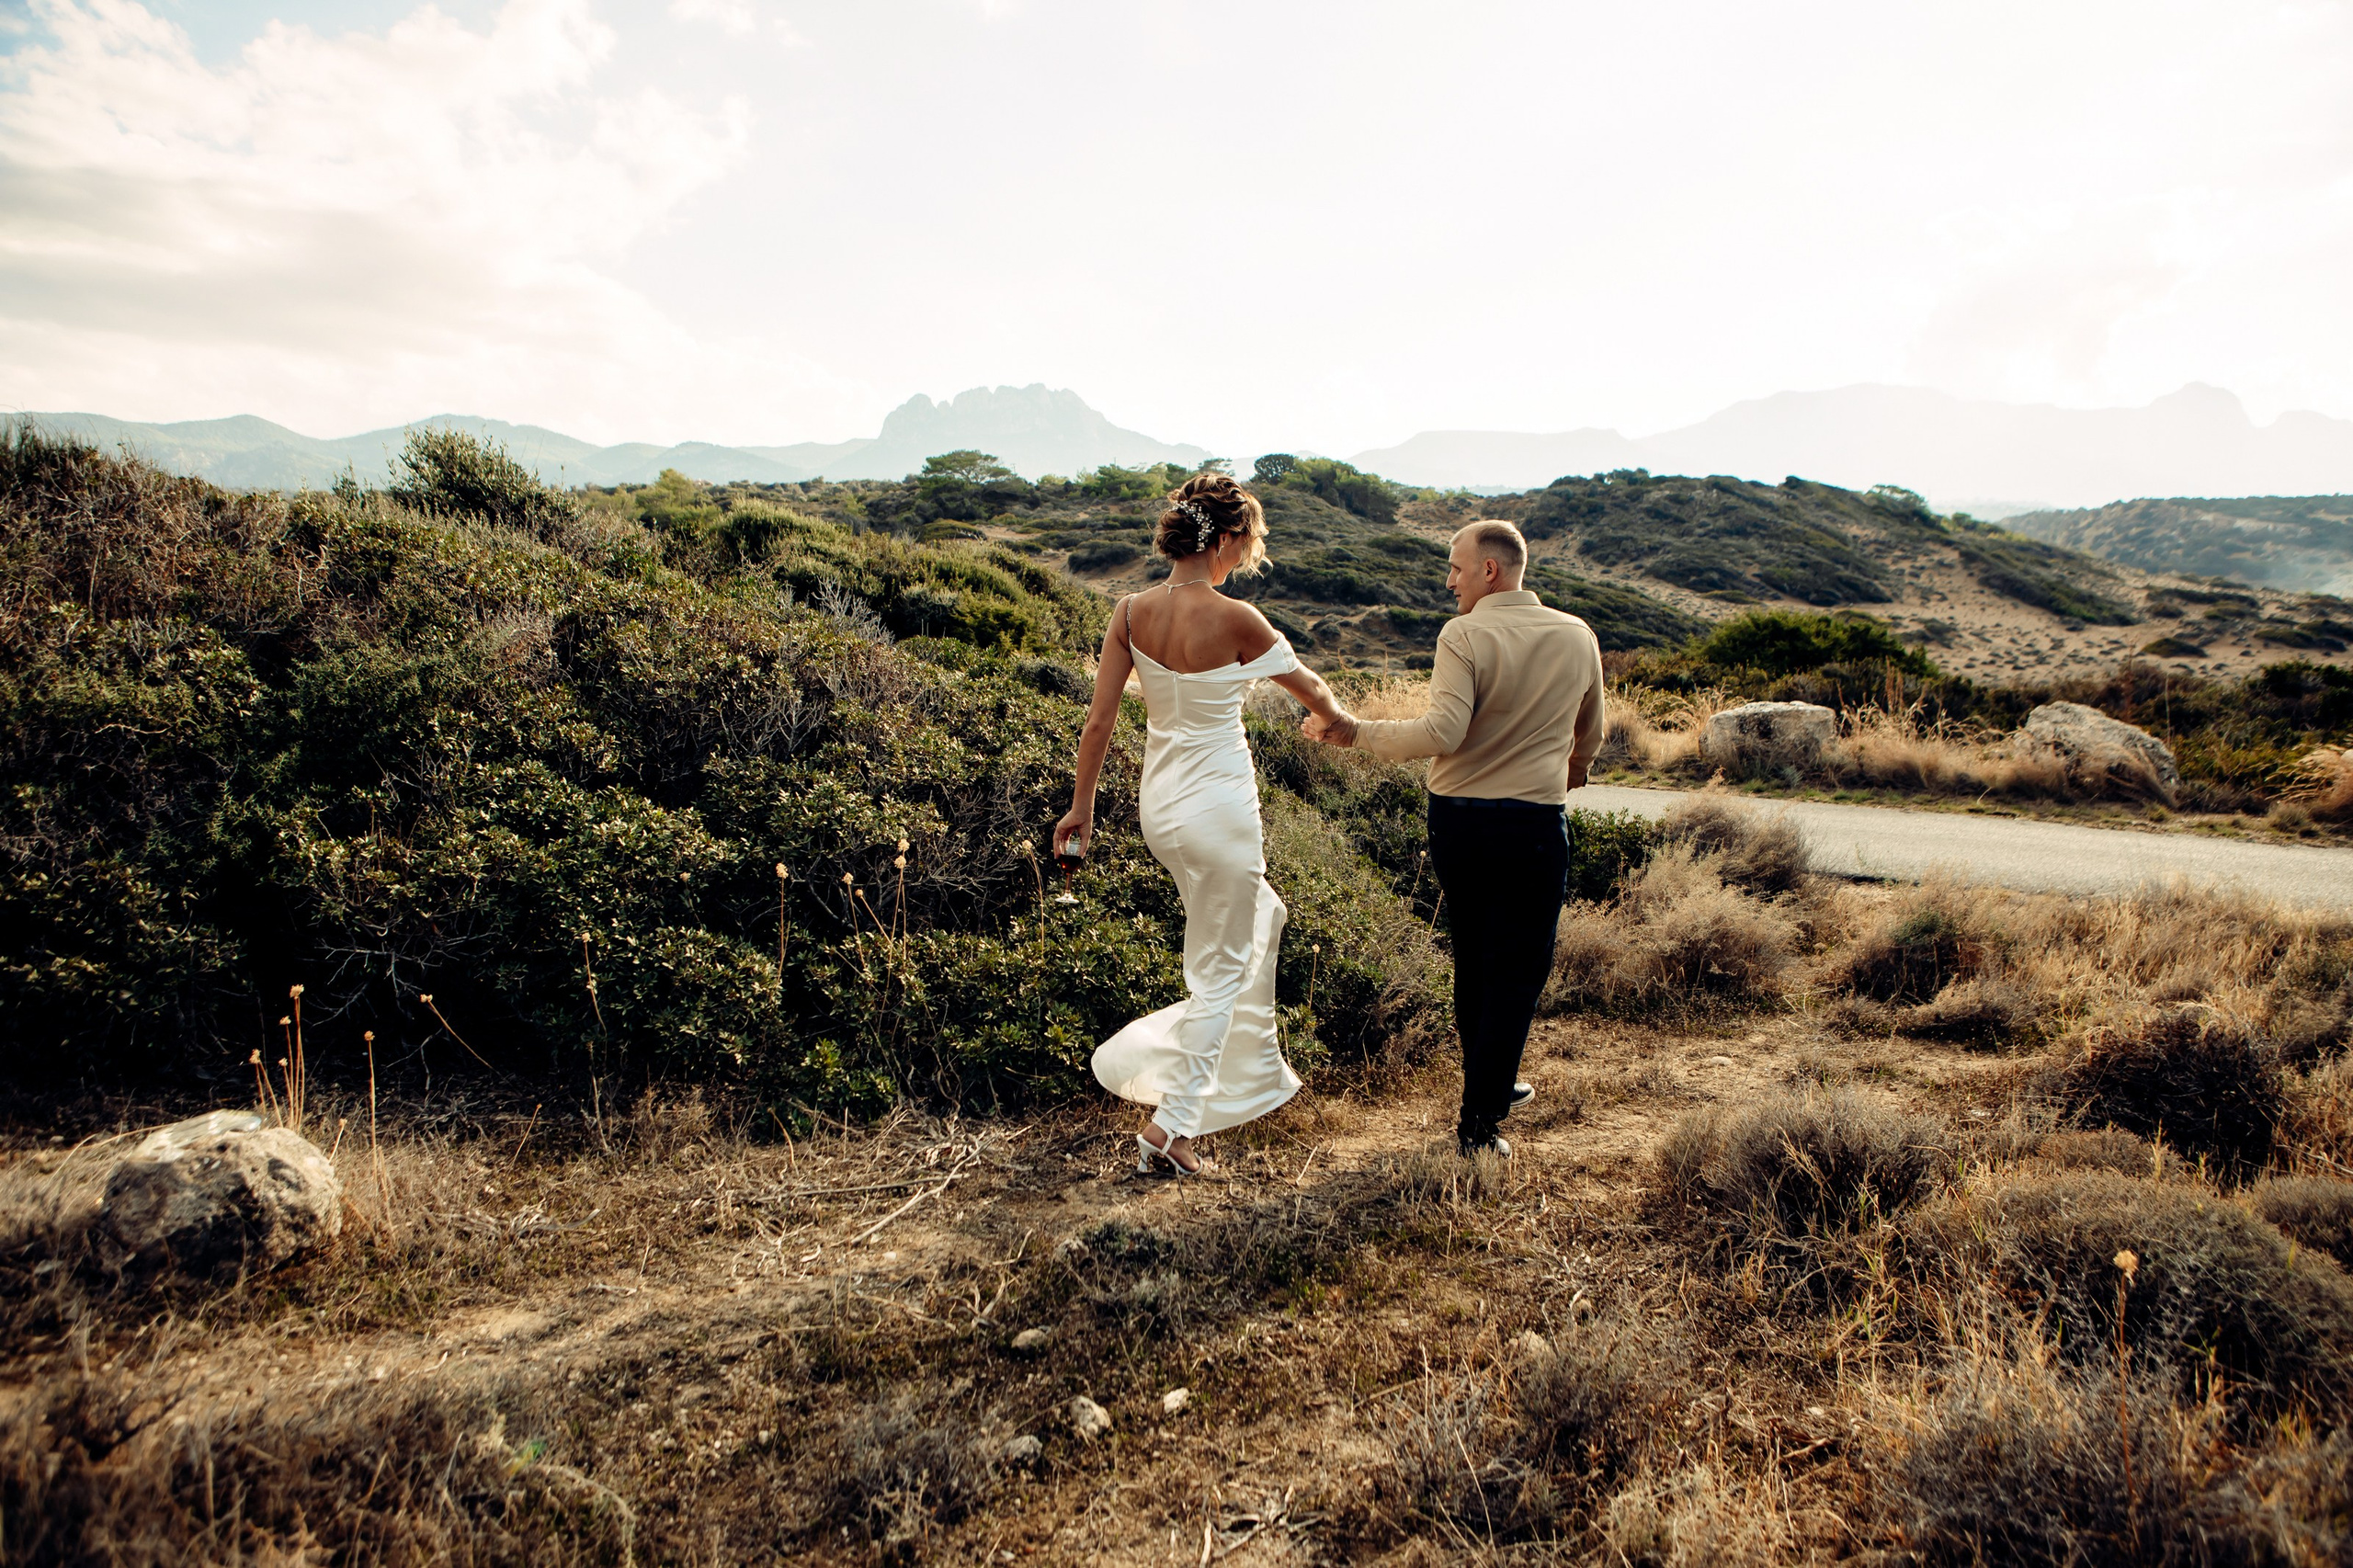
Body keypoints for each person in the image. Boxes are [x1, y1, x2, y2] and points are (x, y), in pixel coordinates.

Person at [1055, 473, 1354, 1177]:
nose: (1245, 556)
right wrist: (1334, 721)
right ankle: (1174, 1127)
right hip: (1220, 810)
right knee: (1223, 970)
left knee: (1254, 924)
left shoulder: (1129, 613)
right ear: (1221, 540)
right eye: (1244, 543)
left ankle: (1206, 1085)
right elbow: (1311, 689)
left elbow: (1099, 722)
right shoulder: (1238, 620)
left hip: (1161, 810)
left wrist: (1082, 808)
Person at [1304, 519, 1604, 1157]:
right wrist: (1564, 779)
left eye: (1456, 567)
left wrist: (1357, 732)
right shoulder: (1578, 636)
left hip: (1461, 822)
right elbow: (1590, 735)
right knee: (1520, 968)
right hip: (1532, 825)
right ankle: (1482, 1117)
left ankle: (1488, 1088)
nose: (1450, 581)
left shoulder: (1464, 634)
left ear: (1489, 571)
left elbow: (1443, 731)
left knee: (1474, 957)